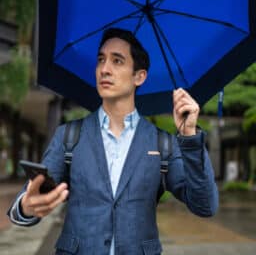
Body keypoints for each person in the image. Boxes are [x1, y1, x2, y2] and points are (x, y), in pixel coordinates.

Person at [8, 28, 218, 255]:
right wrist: (26, 207)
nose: (104, 70)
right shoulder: (69, 136)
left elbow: (204, 205)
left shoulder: (162, 143)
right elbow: (29, 197)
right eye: (101, 60)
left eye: (117, 61)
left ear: (139, 76)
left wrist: (189, 136)